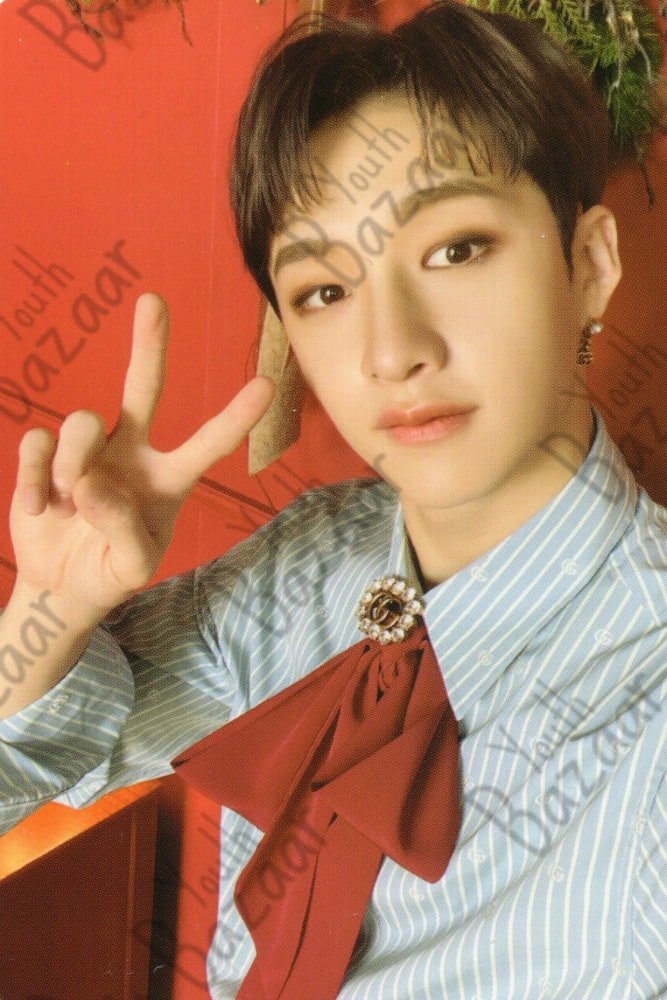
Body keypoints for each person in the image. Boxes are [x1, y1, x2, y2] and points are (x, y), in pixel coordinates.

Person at [1, 2, 665, 998]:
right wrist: (50, 612)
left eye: (455, 249)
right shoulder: (309, 561)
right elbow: (20, 775)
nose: (390, 351)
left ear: (590, 264)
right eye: (323, 291)